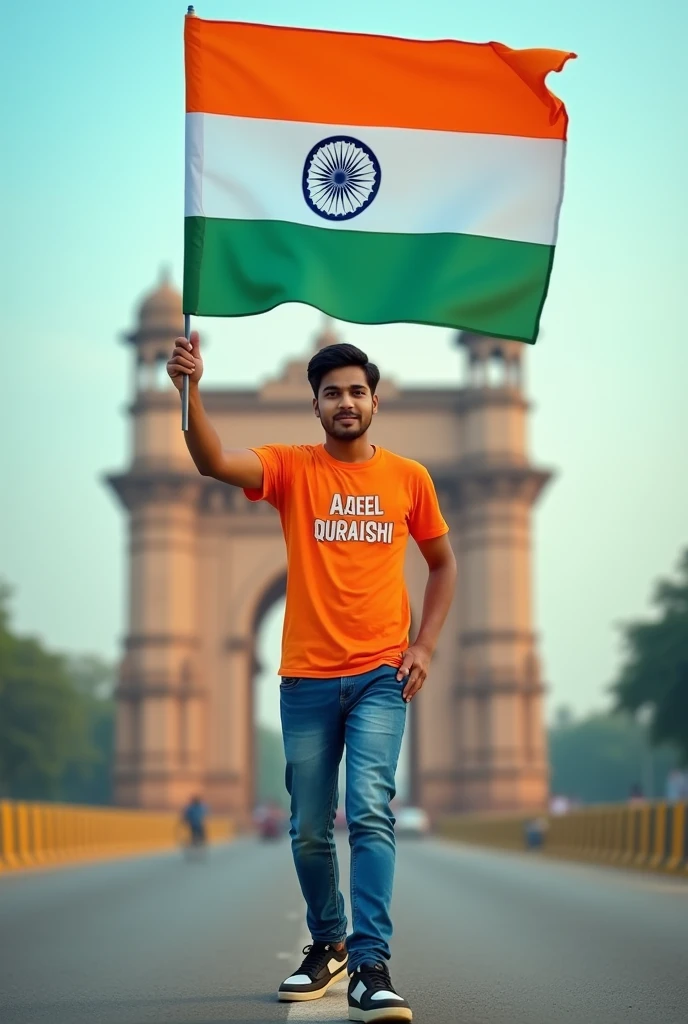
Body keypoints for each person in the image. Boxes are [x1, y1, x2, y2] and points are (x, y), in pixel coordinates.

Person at [167, 331, 456, 1023]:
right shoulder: (292, 469)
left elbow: (443, 564)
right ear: (317, 407)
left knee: (368, 812)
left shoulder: (410, 478)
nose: (346, 402)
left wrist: (425, 646)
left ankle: (371, 963)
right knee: (307, 827)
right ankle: (326, 941)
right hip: (306, 680)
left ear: (375, 401)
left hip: (382, 675)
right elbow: (211, 460)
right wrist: (190, 387)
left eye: (357, 391)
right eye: (332, 393)